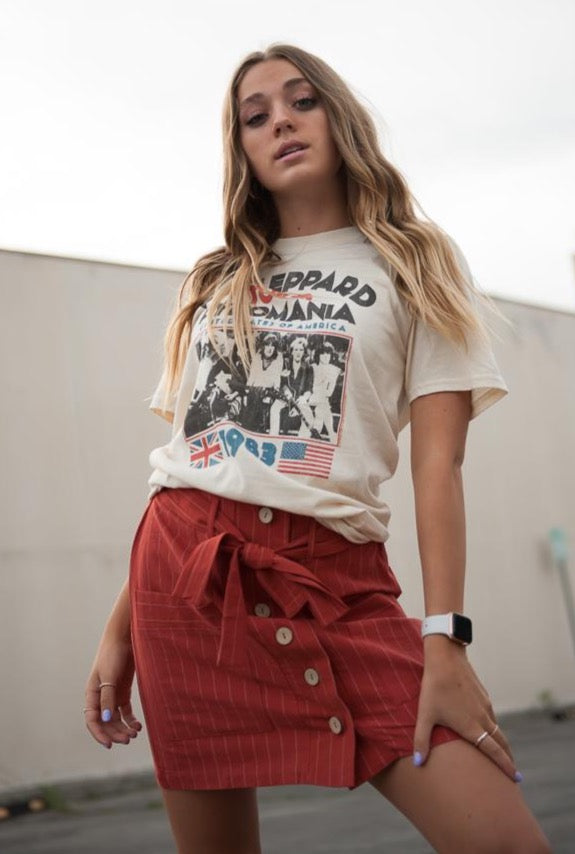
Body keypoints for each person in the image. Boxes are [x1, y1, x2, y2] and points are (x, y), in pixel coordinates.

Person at [84, 44, 551, 854]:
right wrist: (121, 629)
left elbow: (440, 466)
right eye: (255, 117)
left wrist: (445, 640)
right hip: (182, 583)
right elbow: (190, 462)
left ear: (338, 118)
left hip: (332, 579)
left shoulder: (412, 261)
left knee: (503, 842)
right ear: (243, 153)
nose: (281, 123)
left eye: (301, 102)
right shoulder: (214, 278)